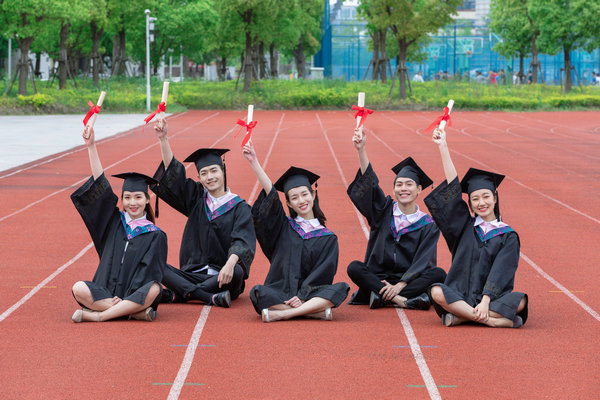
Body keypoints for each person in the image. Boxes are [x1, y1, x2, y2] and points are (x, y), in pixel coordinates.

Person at [424, 126, 528, 328]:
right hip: (460, 294)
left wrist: (486, 299)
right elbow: (453, 190)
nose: (482, 202)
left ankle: (463, 317)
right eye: (475, 199)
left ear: (495, 198)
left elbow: (502, 270)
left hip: (491, 299)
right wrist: (443, 146)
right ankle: (493, 321)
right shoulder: (464, 227)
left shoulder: (508, 236)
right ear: (469, 204)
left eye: (486, 196)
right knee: (436, 291)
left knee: (521, 301)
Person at [151, 121, 256, 307]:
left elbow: (243, 240)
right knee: (155, 263)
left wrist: (230, 264)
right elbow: (174, 175)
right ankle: (206, 296)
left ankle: (182, 293)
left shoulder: (240, 207)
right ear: (199, 177)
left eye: (214, 171)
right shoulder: (197, 198)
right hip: (193, 272)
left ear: (223, 171)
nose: (210, 177)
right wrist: (163, 138)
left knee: (237, 273)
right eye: (204, 173)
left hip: (223, 275)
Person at [242, 141, 349, 322]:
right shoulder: (284, 227)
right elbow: (271, 197)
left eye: (304, 194)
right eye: (294, 197)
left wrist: (302, 296)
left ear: (313, 195)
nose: (301, 200)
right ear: (289, 204)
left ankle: (284, 313)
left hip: (310, 293)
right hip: (281, 290)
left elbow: (323, 273)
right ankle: (314, 311)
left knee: (341, 288)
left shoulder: (328, 238)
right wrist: (254, 162)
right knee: (258, 292)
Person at [71, 126, 166, 323]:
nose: (133, 203)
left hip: (133, 293)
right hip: (106, 290)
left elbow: (149, 272)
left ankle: (98, 316)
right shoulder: (114, 222)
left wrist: (130, 295)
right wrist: (91, 146)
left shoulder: (155, 235)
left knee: (155, 289)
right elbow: (101, 186)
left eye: (138, 197)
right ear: (122, 199)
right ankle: (132, 312)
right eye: (128, 197)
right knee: (78, 288)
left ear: (147, 200)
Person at [346, 128, 446, 310]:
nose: (403, 188)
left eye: (409, 184)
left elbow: (424, 260)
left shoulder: (428, 225)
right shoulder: (383, 211)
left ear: (419, 190)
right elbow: (371, 185)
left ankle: (380, 295)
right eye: (399, 184)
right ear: (393, 190)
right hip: (378, 275)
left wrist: (401, 284)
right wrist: (361, 150)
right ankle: (402, 301)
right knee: (354, 267)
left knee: (439, 274)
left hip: (407, 280)